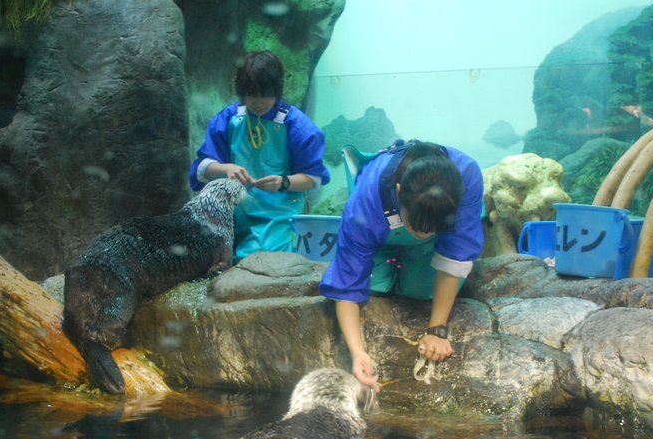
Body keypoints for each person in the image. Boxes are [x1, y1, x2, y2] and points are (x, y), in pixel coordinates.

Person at [319, 140, 483, 391]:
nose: (423, 233)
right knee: (374, 289)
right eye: (417, 227)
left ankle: (418, 249)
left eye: (432, 229)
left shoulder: (467, 176)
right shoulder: (365, 202)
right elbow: (347, 282)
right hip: (379, 223)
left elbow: (456, 251)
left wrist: (436, 330)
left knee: (422, 292)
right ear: (398, 192)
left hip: (427, 238)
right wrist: (357, 352)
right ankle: (393, 252)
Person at [190, 50, 329, 261]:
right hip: (231, 210)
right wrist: (225, 169)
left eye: (265, 95)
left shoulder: (298, 126)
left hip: (278, 212)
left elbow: (313, 178)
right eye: (251, 95)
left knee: (260, 256)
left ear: (277, 91)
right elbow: (201, 168)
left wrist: (283, 182)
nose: (258, 102)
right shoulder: (228, 119)